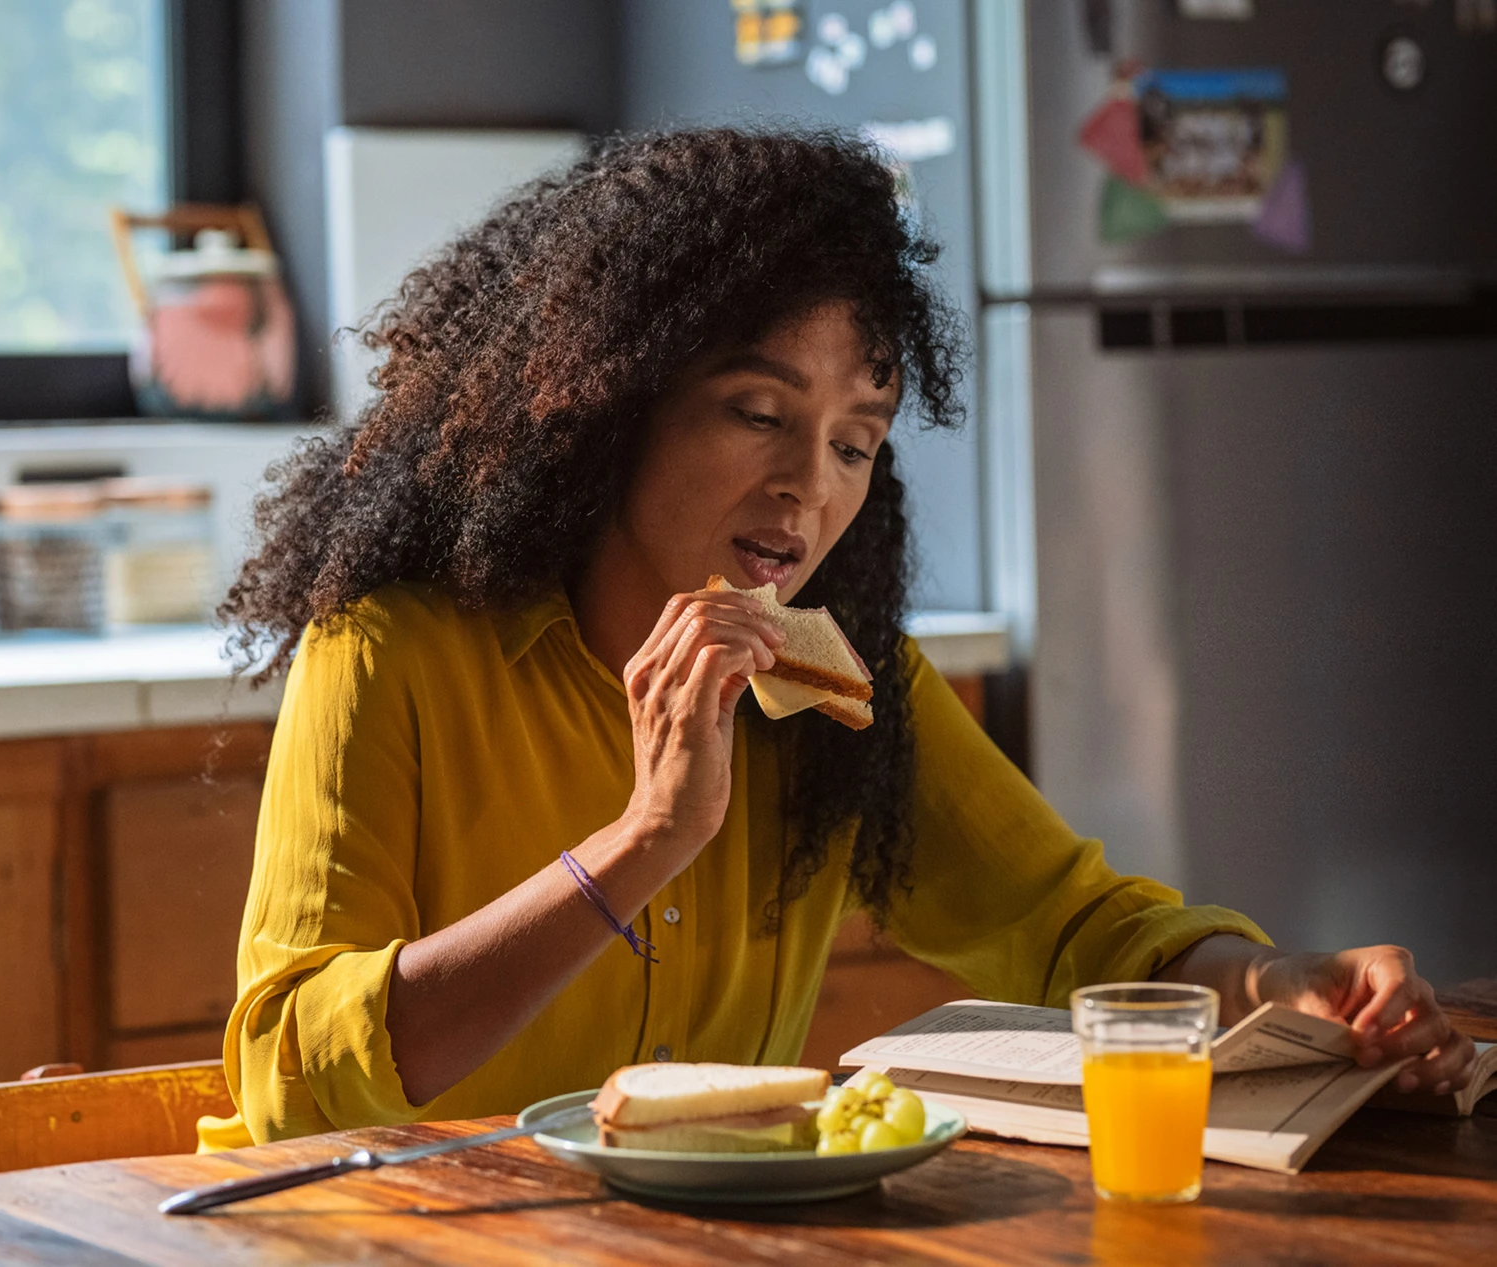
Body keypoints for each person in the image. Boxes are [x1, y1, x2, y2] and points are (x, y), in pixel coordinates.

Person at [199, 128, 1473, 1148]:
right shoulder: (393, 649)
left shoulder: (829, 675)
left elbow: (1072, 928)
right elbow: (288, 1080)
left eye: (855, 442)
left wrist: (1275, 986)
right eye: (758, 412)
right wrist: (644, 843)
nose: (809, 487)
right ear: (606, 408)